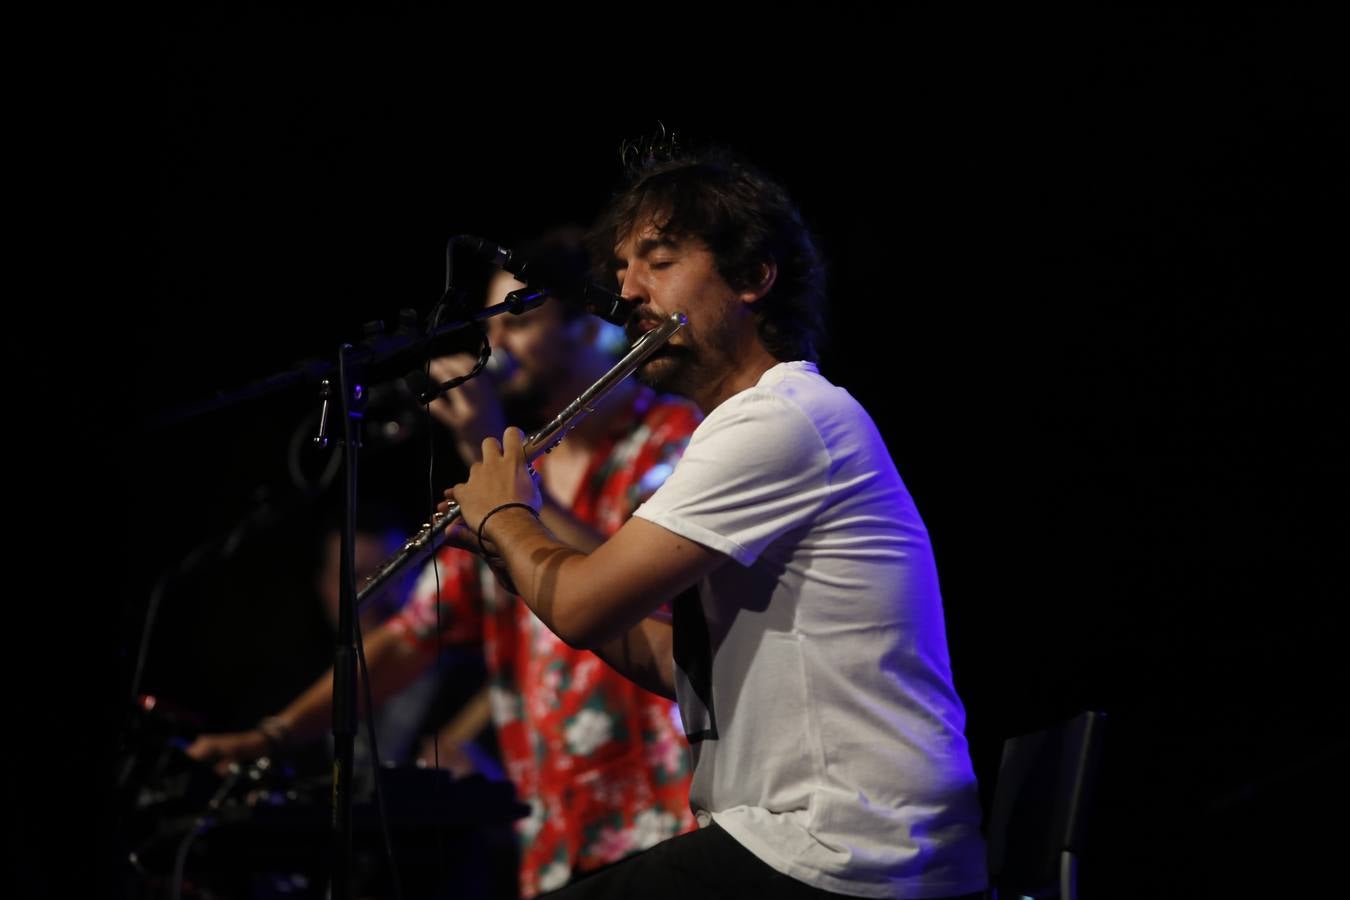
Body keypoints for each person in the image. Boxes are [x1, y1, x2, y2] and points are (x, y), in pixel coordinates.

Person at [442, 148, 989, 899]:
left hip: (850, 849)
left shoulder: (783, 417)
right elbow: (680, 668)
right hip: (807, 842)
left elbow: (579, 604)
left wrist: (506, 511)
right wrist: (508, 551)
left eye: (657, 261)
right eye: (624, 267)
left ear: (753, 275)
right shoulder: (749, 426)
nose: (627, 291)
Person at [188, 230, 701, 898]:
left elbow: (630, 576)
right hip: (550, 832)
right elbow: (409, 638)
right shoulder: (515, 475)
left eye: (518, 318)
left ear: (590, 327)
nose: (499, 343)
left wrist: (490, 464)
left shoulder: (673, 437)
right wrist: (273, 736)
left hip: (663, 816)